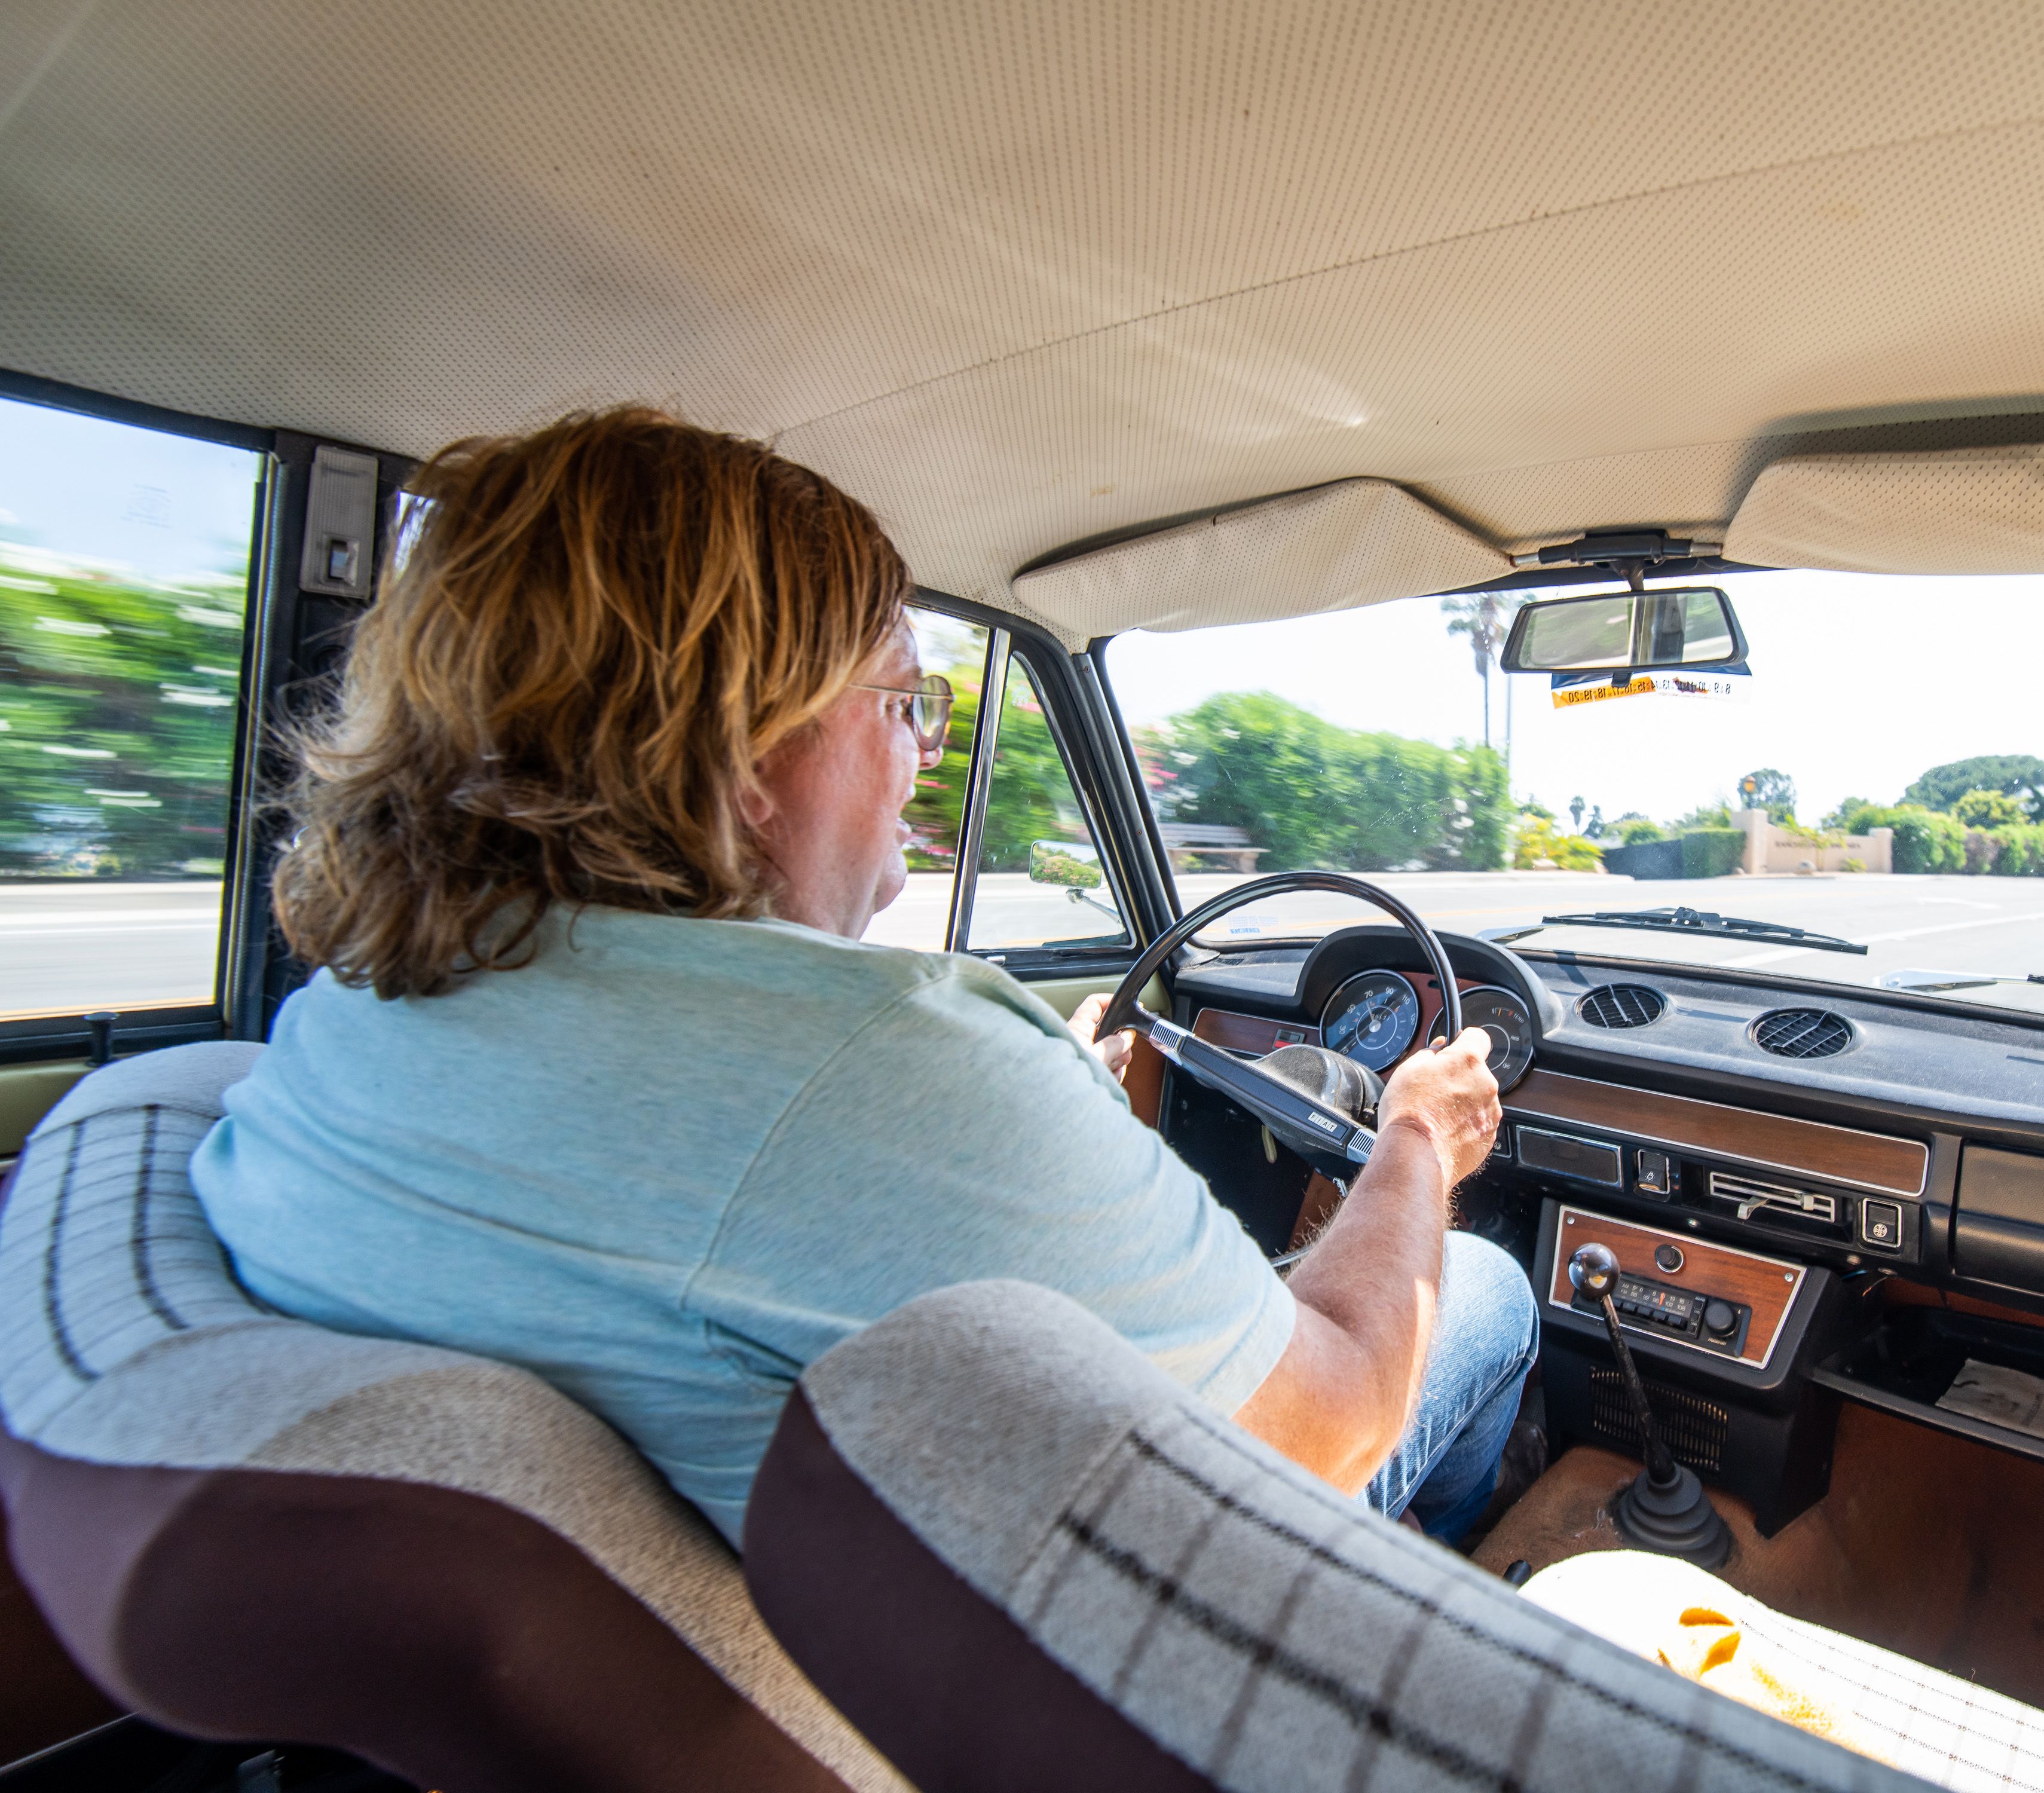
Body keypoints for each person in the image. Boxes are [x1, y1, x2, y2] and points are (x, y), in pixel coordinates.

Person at [193, 406, 1535, 1546]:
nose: (924, 758)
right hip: (1001, 1685)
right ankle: (1405, 1604)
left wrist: (1041, 1096)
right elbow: (1328, 1422)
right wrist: (1415, 1139)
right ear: (745, 737)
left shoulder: (349, 1015)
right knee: (1479, 1293)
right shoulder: (899, 1068)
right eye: (904, 701)